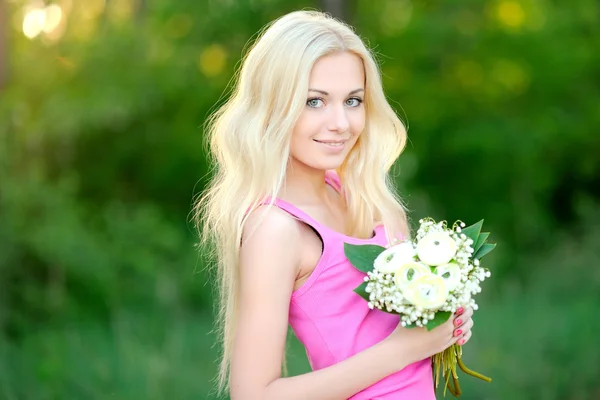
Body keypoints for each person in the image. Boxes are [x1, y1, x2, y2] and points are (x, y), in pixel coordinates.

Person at [195, 10, 475, 400]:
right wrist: (403, 349)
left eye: (353, 100)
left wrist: (442, 320)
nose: (340, 123)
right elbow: (255, 395)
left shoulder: (373, 203)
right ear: (273, 107)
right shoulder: (277, 229)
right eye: (314, 102)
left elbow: (401, 342)